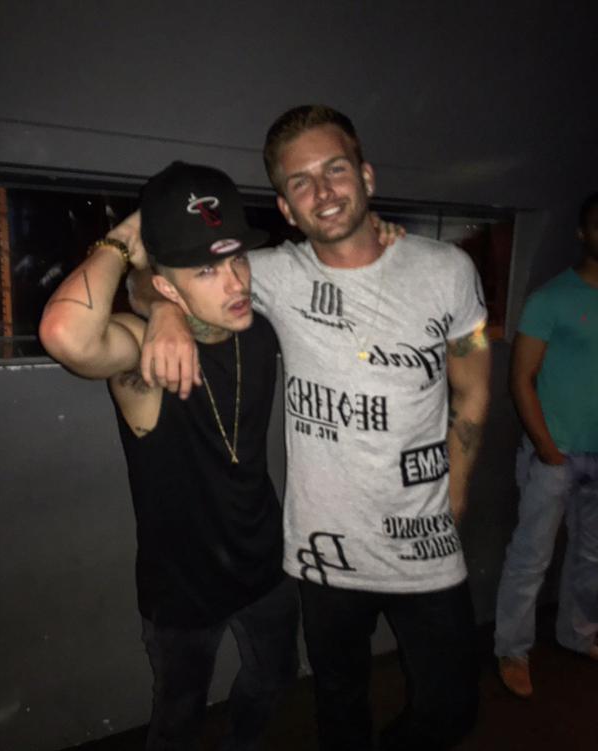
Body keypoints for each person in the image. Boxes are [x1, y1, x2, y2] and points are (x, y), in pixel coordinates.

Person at [130, 105, 491, 751]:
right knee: (339, 708)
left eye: (335, 170)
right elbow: (162, 277)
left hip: (427, 543)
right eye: (302, 182)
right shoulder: (269, 274)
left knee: (453, 707)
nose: (323, 191)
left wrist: (458, 490)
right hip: (326, 557)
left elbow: (474, 386)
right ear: (286, 208)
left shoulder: (448, 270)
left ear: (366, 175)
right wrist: (162, 308)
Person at [39, 162, 301, 751]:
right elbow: (65, 335)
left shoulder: (260, 330)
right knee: (178, 722)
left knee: (275, 678)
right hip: (183, 592)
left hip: (266, 566)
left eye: (237, 260)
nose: (235, 283)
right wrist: (123, 239)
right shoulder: (145, 356)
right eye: (206, 270)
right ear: (167, 285)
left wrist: (166, 304)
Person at [495, 192, 598, 698]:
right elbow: (521, 379)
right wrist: (546, 448)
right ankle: (512, 651)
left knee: (591, 558)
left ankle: (578, 635)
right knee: (530, 558)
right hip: (553, 455)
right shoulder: (551, 299)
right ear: (582, 232)